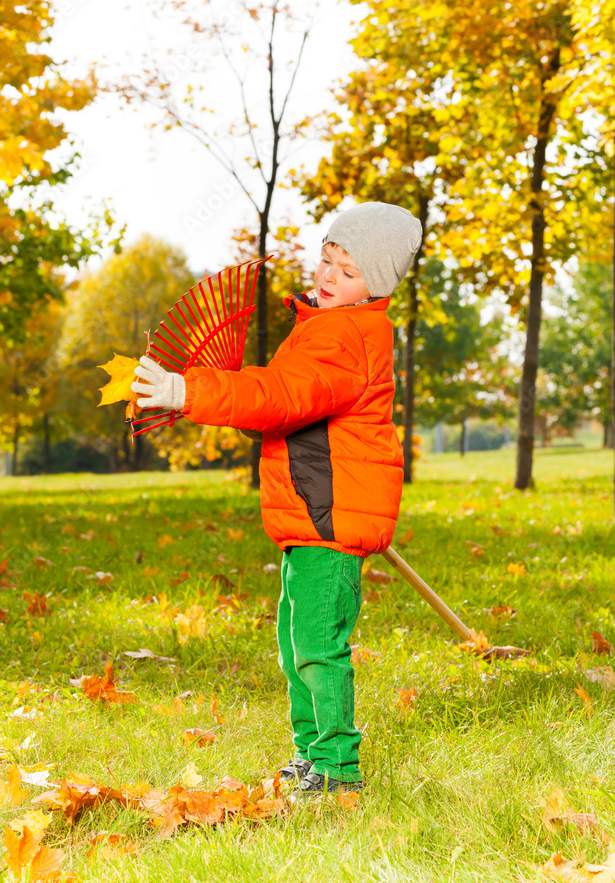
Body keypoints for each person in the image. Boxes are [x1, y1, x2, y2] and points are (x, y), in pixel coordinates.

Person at [132, 201, 422, 795]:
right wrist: (229, 399)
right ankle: (310, 759)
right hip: (310, 514)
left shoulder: (347, 336)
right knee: (297, 649)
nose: (327, 276)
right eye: (326, 260)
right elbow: (280, 413)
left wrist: (189, 389)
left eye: (347, 271)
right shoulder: (321, 326)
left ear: (378, 284)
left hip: (330, 517)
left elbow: (283, 394)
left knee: (317, 646)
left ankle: (338, 772)